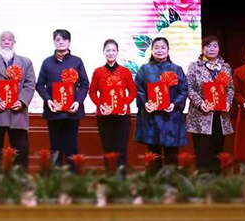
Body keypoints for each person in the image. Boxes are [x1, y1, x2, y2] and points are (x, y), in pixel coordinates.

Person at [0, 31, 36, 168]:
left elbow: (30, 84)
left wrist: (22, 101)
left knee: (20, 151)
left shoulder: (26, 62)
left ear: (14, 43)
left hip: (18, 113)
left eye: (10, 40)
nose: (6, 42)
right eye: (3, 40)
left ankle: (20, 178)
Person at [36, 29, 89, 168]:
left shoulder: (77, 61)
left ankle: (73, 177)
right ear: (54, 42)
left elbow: (84, 84)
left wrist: (78, 102)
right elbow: (39, 85)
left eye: (64, 39)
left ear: (69, 42)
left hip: (72, 112)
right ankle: (55, 177)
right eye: (58, 39)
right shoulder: (47, 62)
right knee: (55, 147)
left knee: (72, 146)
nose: (61, 42)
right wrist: (48, 100)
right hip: (53, 112)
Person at [134, 37, 188, 167]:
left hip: (171, 117)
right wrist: (145, 103)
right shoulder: (144, 69)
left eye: (163, 47)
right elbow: (138, 88)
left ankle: (171, 178)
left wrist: (174, 104)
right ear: (152, 50)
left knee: (172, 154)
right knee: (153, 154)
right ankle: (154, 179)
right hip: (151, 118)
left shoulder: (176, 69)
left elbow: (184, 89)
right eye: (156, 48)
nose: (160, 50)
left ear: (168, 50)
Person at [186, 36, 234, 173]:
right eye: (208, 46)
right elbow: (188, 88)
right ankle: (202, 181)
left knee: (217, 152)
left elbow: (231, 88)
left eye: (215, 46)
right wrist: (200, 103)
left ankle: (216, 181)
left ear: (219, 49)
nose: (212, 49)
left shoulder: (225, 67)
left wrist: (228, 102)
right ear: (202, 48)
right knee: (202, 153)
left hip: (220, 117)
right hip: (201, 116)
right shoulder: (194, 66)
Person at [88, 39, 136, 172]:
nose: (111, 53)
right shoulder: (98, 71)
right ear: (103, 52)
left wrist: (126, 103)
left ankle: (121, 177)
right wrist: (99, 105)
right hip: (104, 115)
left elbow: (133, 92)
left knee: (121, 147)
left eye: (113, 50)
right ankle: (109, 176)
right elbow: (92, 92)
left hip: (122, 115)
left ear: (117, 52)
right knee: (107, 147)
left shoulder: (125, 71)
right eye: (108, 50)